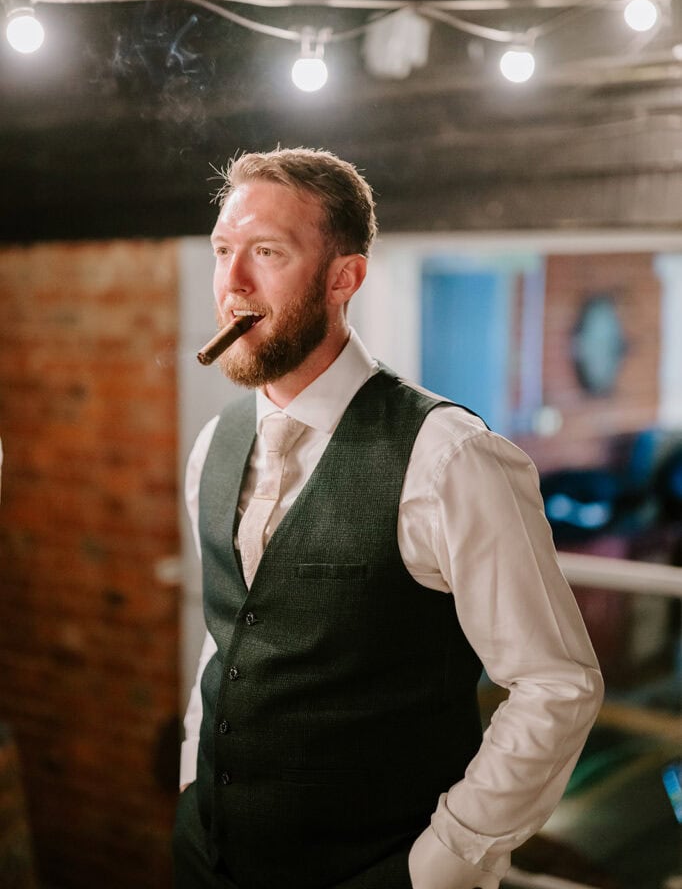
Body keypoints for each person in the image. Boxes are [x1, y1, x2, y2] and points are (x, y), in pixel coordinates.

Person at [173, 147, 603, 889]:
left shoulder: (451, 458)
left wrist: (440, 865)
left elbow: (556, 686)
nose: (232, 282)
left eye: (267, 252)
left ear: (345, 277)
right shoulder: (214, 445)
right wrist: (192, 779)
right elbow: (230, 638)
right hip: (204, 860)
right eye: (222, 250)